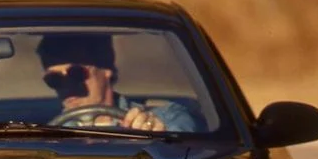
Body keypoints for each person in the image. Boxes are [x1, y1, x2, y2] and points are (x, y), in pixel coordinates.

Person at [36, 33, 197, 132]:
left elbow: (185, 154)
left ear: (106, 69)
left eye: (76, 73)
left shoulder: (167, 116)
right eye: (54, 79)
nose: (67, 86)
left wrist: (158, 136)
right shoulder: (52, 136)